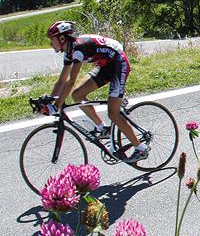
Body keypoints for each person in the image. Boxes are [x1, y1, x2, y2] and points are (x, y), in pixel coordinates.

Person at [44, 21, 149, 163]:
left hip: (119, 62)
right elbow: (61, 81)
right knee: (77, 95)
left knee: (113, 113)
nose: (51, 44)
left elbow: (70, 81)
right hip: (105, 64)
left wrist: (56, 105)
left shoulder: (78, 49)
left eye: (52, 40)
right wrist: (49, 100)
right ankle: (103, 128)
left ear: (62, 38)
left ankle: (141, 148)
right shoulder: (69, 52)